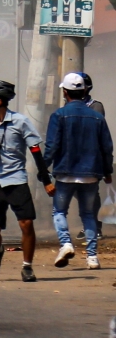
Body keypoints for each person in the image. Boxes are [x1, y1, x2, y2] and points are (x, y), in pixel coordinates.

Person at [0, 80, 53, 283]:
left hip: (16, 179)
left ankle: (27, 266)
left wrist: (46, 179)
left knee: (26, 223)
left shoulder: (21, 122)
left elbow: (35, 150)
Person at [46, 73, 113, 270]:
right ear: (84, 91)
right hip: (91, 174)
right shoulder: (97, 117)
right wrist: (107, 170)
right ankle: (92, 257)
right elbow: (106, 148)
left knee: (59, 211)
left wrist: (42, 169)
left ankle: (66, 243)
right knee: (89, 215)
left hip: (65, 173)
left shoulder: (59, 115)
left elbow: (52, 146)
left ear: (65, 92)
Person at [79, 72, 107, 241]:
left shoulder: (95, 106)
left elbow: (97, 132)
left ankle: (95, 227)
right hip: (73, 157)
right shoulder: (68, 107)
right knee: (77, 192)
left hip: (91, 157)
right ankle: (88, 224)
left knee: (91, 193)